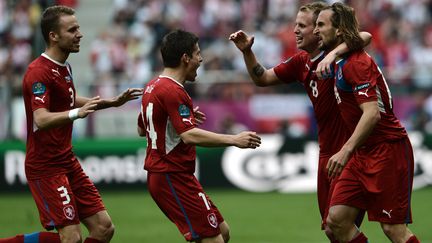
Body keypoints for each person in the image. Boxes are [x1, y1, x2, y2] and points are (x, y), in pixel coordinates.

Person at [0, 5, 143, 243]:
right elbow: (41, 118)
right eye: (72, 29)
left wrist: (111, 102)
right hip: (45, 166)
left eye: (78, 28)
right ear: (53, 36)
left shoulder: (64, 67)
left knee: (104, 228)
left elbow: (68, 99)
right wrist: (76, 113)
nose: (80, 34)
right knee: (71, 238)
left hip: (67, 160)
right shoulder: (38, 72)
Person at [229, 2, 370, 242]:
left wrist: (335, 53)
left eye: (302, 25)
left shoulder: (340, 53)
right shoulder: (301, 62)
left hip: (351, 152)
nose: (295, 30)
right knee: (332, 230)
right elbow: (262, 78)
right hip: (327, 154)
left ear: (318, 29)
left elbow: (364, 36)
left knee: (339, 225)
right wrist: (247, 52)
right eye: (295, 24)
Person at [137, 29, 261, 243]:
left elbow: (142, 129)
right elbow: (189, 136)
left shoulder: (153, 85)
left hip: (173, 174)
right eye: (197, 53)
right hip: (170, 174)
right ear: (185, 58)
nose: (201, 59)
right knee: (213, 239)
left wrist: (174, 119)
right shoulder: (173, 91)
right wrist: (234, 139)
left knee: (222, 232)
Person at [314, 2, 420, 243]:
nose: (315, 30)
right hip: (362, 152)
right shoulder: (339, 59)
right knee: (336, 221)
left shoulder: (356, 63)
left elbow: (372, 114)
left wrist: (345, 150)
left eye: (321, 25)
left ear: (338, 30)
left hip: (387, 149)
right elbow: (361, 36)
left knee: (393, 229)